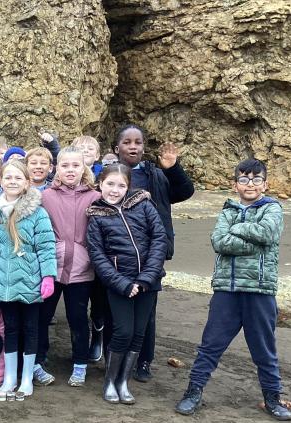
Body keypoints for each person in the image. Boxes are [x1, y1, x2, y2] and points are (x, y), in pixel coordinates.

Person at [176, 159, 291, 421]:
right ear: (235, 184)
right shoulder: (228, 210)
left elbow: (267, 234)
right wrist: (253, 244)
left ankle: (273, 398)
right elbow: (219, 241)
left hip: (260, 290)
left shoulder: (273, 208)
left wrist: (238, 229)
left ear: (265, 184)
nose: (250, 184)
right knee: (210, 346)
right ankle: (193, 392)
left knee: (264, 350)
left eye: (256, 179)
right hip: (226, 289)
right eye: (244, 179)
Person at [114, 124, 194, 382]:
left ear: (144, 147)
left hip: (151, 255)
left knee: (146, 315)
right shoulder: (111, 177)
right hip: (118, 255)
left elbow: (184, 192)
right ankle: (113, 361)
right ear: (117, 148)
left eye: (138, 142)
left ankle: (143, 362)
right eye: (127, 142)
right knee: (115, 313)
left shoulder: (156, 175)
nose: (133, 147)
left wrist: (173, 168)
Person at [87, 164, 168, 405]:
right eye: (110, 184)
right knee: (123, 331)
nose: (115, 190)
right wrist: (122, 283)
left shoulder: (143, 205)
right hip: (119, 283)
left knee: (139, 333)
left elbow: (159, 239)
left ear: (128, 187)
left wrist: (146, 279)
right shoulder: (96, 216)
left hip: (148, 282)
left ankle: (124, 382)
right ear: (100, 184)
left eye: (121, 185)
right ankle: (110, 381)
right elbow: (97, 256)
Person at [0, 160, 56, 396]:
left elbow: (46, 247)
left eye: (18, 178)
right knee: (10, 328)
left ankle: (27, 377)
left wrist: (48, 276)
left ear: (27, 183)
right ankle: (10, 377)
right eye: (8, 177)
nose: (12, 181)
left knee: (31, 329)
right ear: (1, 181)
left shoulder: (38, 213)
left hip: (31, 280)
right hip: (4, 281)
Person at [35, 147, 101, 386]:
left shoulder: (95, 197)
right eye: (65, 165)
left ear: (84, 168)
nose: (70, 170)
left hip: (82, 269)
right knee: (42, 317)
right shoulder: (46, 196)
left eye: (75, 165)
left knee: (78, 318)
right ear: (56, 169)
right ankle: (37, 361)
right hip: (51, 267)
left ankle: (80, 363)